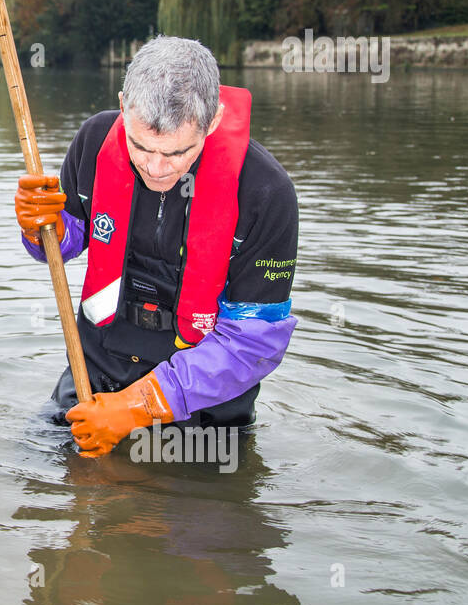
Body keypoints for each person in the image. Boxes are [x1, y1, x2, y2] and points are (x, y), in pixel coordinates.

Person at [15, 35, 298, 457]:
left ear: (214, 121)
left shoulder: (266, 193)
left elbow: (253, 344)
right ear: (123, 103)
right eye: (140, 146)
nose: (155, 167)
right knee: (33, 484)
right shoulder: (94, 140)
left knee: (200, 517)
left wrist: (137, 407)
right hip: (95, 371)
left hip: (204, 411)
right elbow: (64, 243)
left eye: (176, 152)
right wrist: (41, 226)